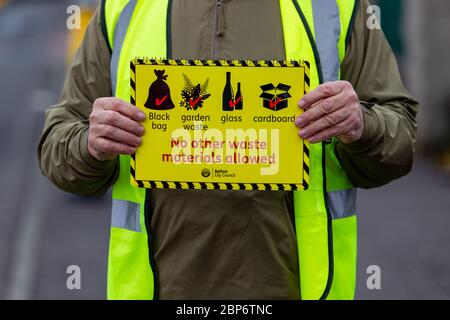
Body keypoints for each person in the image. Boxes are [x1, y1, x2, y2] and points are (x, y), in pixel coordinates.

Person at [38, 0, 418, 300]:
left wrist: (362, 126)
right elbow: (58, 147)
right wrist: (90, 144)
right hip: (158, 288)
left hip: (297, 289)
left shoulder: (337, 6)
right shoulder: (123, 7)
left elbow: (400, 139)